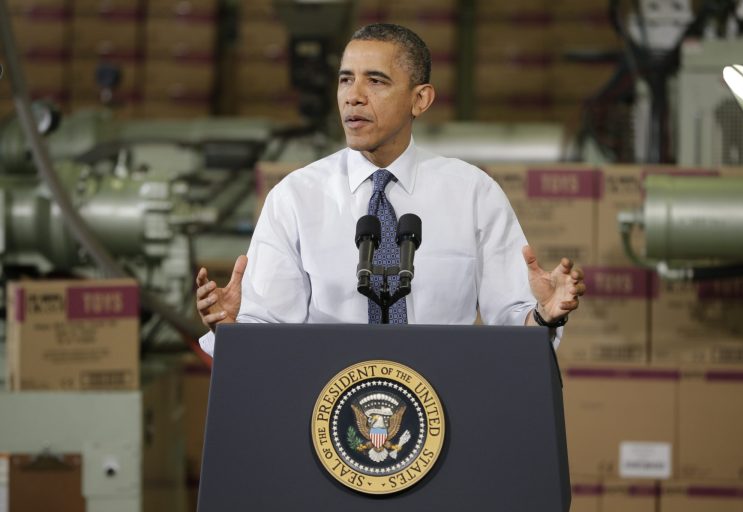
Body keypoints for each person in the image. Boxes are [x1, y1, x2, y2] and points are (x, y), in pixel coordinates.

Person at [195, 23, 585, 356]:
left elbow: (515, 330)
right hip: (327, 410)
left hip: (443, 407)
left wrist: (547, 315)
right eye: (345, 79)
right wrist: (231, 330)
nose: (353, 95)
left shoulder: (472, 195)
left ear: (420, 99)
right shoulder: (295, 198)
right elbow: (267, 332)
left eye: (376, 81)